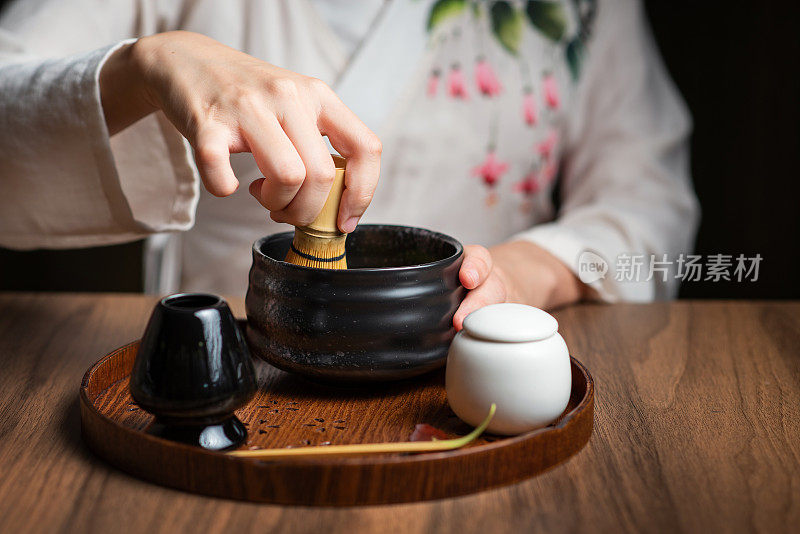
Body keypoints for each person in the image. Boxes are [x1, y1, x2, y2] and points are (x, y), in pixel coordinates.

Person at [0, 0, 698, 328]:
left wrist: (532, 271)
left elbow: (650, 204)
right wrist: (145, 67)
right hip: (238, 366)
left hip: (470, 373)